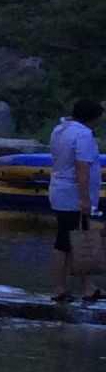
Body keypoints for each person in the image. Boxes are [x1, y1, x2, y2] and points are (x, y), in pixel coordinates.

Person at [49, 96, 102, 303]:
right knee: (65, 240)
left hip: (59, 189)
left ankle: (89, 287)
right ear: (93, 118)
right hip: (72, 194)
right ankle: (58, 288)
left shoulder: (60, 129)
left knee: (80, 238)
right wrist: (85, 198)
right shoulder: (84, 135)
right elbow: (82, 166)